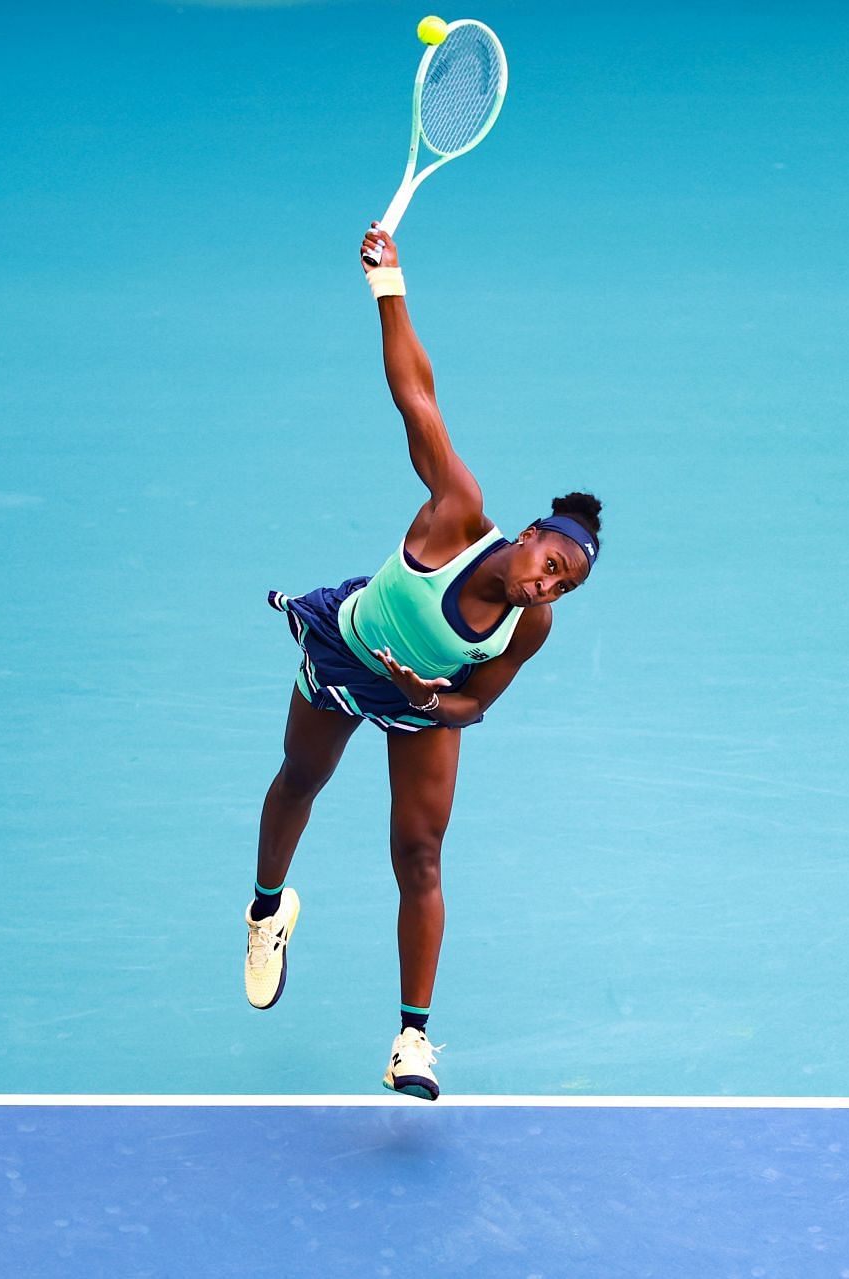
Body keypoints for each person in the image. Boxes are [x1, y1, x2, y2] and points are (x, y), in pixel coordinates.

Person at [246, 223, 602, 1100]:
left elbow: (477, 706)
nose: (547, 587)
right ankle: (266, 910)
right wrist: (388, 284)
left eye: (564, 588)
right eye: (551, 564)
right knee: (300, 779)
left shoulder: (528, 630)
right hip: (346, 648)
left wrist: (427, 698)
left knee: (421, 855)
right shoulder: (454, 511)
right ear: (527, 536)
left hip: (420, 702)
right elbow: (415, 393)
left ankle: (412, 1042)